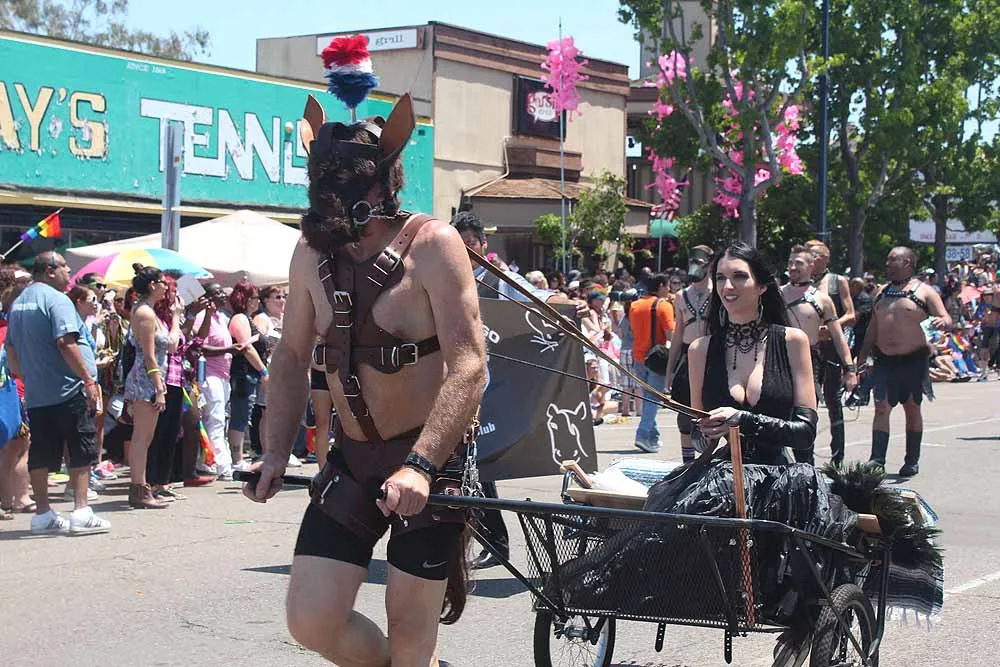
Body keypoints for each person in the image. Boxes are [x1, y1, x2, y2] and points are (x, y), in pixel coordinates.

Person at [244, 94, 487, 667]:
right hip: (352, 461)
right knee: (311, 621)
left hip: (431, 463)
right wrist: (274, 451)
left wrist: (422, 465)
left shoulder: (435, 244)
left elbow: (470, 364)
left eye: (342, 181)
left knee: (410, 639)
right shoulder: (309, 253)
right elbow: (291, 356)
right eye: (321, 181)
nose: (327, 195)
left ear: (380, 185)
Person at [451, 209, 584, 571]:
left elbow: (536, 297)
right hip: (459, 383)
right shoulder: (448, 280)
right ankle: (489, 540)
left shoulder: (499, 281)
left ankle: (495, 541)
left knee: (482, 460)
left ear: (484, 244)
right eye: (460, 245)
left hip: (498, 384)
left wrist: (565, 306)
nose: (467, 251)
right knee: (471, 464)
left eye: (472, 243)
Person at [6, 252, 111, 534]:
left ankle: (43, 514)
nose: (69, 272)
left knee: (41, 451)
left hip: (38, 393)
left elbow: (11, 351)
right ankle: (81, 511)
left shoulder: (19, 303)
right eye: (64, 266)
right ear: (50, 270)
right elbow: (66, 342)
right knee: (81, 446)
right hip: (68, 388)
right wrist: (88, 380)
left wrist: (29, 377)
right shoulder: (57, 300)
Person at [688, 243, 818, 465]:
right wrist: (707, 431)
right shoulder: (699, 350)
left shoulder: (793, 341)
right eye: (720, 278)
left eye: (739, 276)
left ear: (762, 286)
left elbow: (805, 434)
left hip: (778, 478)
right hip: (724, 476)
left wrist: (743, 420)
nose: (727, 286)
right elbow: (698, 441)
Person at [858, 247, 952, 477]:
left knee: (912, 407)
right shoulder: (881, 292)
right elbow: (872, 328)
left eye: (893, 260)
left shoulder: (925, 291)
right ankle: (877, 459)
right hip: (884, 361)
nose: (887, 264)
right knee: (881, 407)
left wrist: (942, 322)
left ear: (908, 262)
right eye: (887, 260)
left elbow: (946, 318)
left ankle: (911, 460)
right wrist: (861, 359)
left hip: (913, 361)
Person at [779, 246, 858, 465]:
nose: (793, 267)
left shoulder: (822, 299)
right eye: (791, 262)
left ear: (811, 266)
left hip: (809, 363)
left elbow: (839, 337)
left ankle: (807, 467)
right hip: (778, 361)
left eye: (799, 263)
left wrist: (850, 369)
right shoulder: (776, 295)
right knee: (777, 415)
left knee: (805, 415)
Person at [122, 265, 174, 510]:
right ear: (153, 285)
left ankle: (141, 488)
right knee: (142, 437)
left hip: (150, 378)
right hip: (145, 380)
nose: (166, 287)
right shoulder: (145, 313)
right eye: (163, 282)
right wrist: (159, 387)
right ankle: (139, 489)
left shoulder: (148, 311)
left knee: (145, 436)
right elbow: (149, 356)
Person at [804, 240, 856, 467]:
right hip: (809, 350)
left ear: (825, 258)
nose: (810, 259)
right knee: (808, 402)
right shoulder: (800, 285)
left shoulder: (837, 281)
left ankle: (838, 456)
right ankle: (806, 457)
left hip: (831, 346)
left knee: (833, 400)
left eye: (814, 255)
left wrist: (832, 326)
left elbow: (851, 314)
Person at [666, 245, 713, 463]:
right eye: (692, 262)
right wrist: (670, 370)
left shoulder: (719, 293)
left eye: (699, 262)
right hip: (687, 356)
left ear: (709, 265)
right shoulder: (681, 296)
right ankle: (688, 465)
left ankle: (708, 463)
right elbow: (677, 334)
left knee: (711, 413)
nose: (695, 267)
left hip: (712, 355)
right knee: (685, 415)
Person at [628, 273, 676, 453]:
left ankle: (652, 438)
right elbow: (671, 334)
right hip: (657, 359)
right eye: (668, 285)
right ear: (661, 286)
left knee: (648, 398)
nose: (669, 289)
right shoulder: (664, 306)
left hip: (638, 356)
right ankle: (642, 434)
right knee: (653, 399)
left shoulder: (635, 305)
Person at [227, 280, 269, 472]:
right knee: (240, 415)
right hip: (243, 373)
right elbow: (246, 347)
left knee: (245, 415)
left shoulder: (247, 318)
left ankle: (237, 458)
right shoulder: (240, 319)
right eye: (254, 297)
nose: (257, 301)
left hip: (248, 375)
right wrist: (263, 371)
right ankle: (237, 459)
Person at [250, 285, 286, 456]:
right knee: (268, 411)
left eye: (284, 296)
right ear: (266, 301)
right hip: (270, 369)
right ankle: (267, 452)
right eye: (277, 297)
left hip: (286, 370)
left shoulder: (286, 318)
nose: (282, 300)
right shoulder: (262, 319)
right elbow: (257, 341)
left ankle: (281, 450)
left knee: (283, 411)